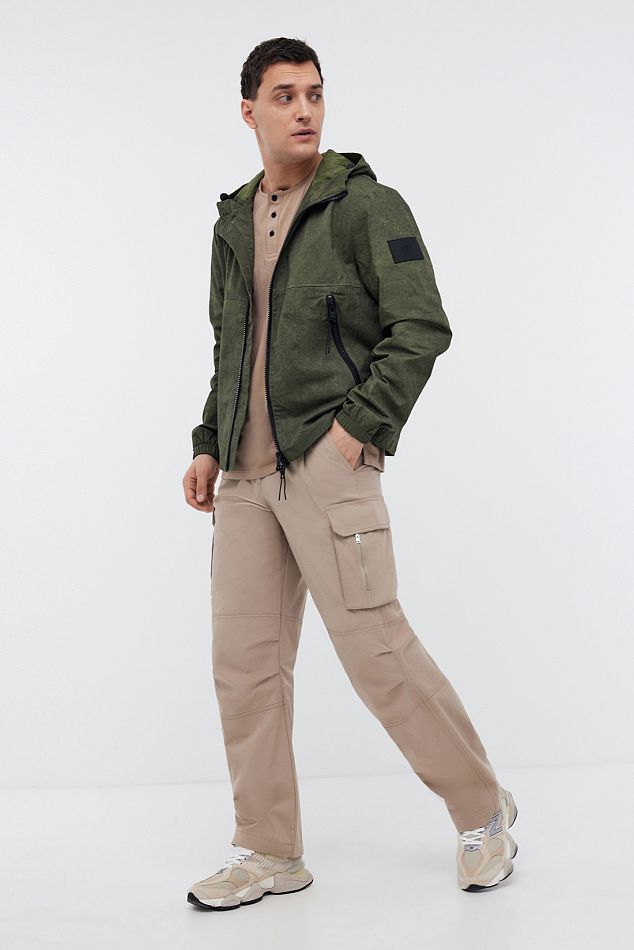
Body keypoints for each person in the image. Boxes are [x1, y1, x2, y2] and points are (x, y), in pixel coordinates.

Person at [182, 36, 518, 912]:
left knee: (378, 654)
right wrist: (209, 441)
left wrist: (355, 432)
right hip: (245, 480)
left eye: (315, 93)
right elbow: (230, 345)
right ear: (248, 111)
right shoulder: (231, 220)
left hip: (327, 466)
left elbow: (422, 327)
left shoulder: (365, 205)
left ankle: (484, 812)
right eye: (284, 95)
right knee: (244, 668)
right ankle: (268, 848)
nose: (304, 110)